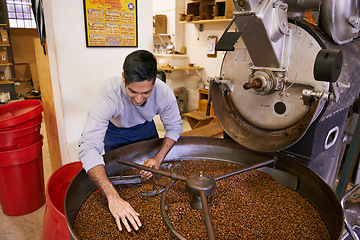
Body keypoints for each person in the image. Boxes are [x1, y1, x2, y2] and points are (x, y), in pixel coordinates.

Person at [78, 50, 182, 233]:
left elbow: (174, 127)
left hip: (146, 129)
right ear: (123, 78)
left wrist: (157, 158)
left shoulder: (163, 93)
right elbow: (88, 147)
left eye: (146, 92)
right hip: (115, 133)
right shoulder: (109, 93)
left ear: (155, 81)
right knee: (118, 176)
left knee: (149, 177)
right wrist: (112, 197)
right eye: (132, 92)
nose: (139, 99)